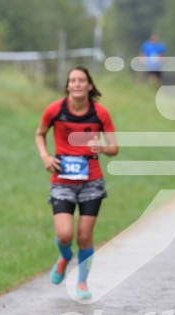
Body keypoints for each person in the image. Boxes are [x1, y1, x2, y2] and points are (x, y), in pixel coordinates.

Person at [35, 66, 118, 299]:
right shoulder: (55, 110)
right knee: (64, 235)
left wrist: (102, 147)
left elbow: (114, 148)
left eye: (82, 80)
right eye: (73, 80)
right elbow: (39, 133)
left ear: (90, 85)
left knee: (84, 236)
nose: (77, 84)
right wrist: (45, 156)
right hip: (62, 179)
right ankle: (64, 256)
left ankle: (82, 282)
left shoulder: (100, 113)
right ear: (68, 86)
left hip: (91, 180)